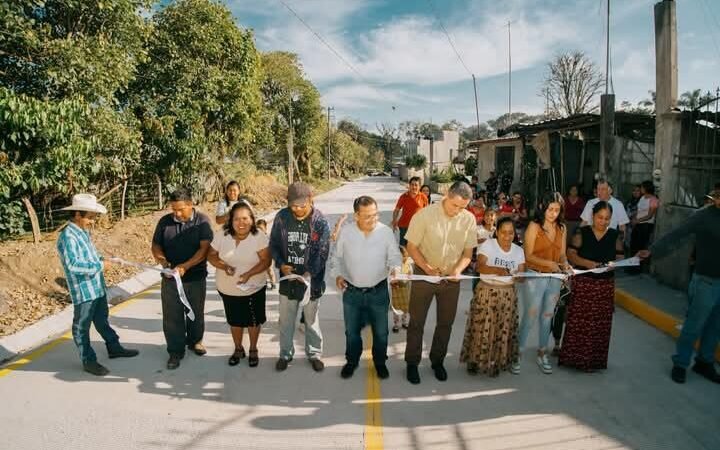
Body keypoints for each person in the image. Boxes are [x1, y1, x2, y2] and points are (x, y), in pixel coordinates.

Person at [639, 185, 720, 385]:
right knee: (694, 326)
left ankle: (704, 362)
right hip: (705, 282)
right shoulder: (703, 215)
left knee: (715, 327)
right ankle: (681, 363)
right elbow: (677, 233)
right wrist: (652, 250)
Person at [56, 194, 139, 376]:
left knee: (102, 319)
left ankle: (114, 347)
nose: (93, 221)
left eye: (94, 217)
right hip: (84, 291)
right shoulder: (68, 237)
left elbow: (90, 256)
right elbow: (73, 265)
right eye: (90, 217)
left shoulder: (83, 232)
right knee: (81, 327)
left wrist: (106, 259)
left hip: (97, 287)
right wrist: (101, 265)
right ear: (77, 214)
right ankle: (89, 360)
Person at [404, 181, 477, 384]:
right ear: (446, 195)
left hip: (450, 280)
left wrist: (457, 270)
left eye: (463, 207)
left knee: (446, 323)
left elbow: (468, 253)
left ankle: (437, 361)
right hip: (425, 276)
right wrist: (427, 268)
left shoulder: (469, 219)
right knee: (417, 322)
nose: (458, 211)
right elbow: (411, 246)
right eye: (455, 205)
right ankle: (412, 363)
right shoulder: (424, 215)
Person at [333, 196, 402, 380]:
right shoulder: (346, 232)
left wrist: (395, 269)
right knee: (352, 332)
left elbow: (395, 256)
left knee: (381, 332)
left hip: (378, 292)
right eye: (367, 216)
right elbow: (336, 257)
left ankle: (380, 363)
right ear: (356, 215)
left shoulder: (385, 232)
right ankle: (352, 361)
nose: (373, 219)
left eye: (375, 215)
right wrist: (338, 275)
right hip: (352, 292)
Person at [269, 182, 330, 372]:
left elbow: (323, 251)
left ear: (310, 200)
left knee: (311, 321)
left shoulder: (319, 221)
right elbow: (273, 244)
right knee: (286, 321)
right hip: (288, 280)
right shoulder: (282, 217)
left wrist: (308, 273)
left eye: (302, 206)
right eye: (293, 206)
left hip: (311, 282)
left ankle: (314, 354)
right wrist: (280, 263)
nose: (297, 209)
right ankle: (285, 354)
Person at [151, 189, 213, 370]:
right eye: (173, 209)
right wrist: (162, 261)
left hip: (195, 277)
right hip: (170, 278)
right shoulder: (165, 222)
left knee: (195, 312)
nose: (176, 213)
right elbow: (155, 245)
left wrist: (186, 266)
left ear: (191, 204)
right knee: (172, 316)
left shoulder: (202, 221)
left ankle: (195, 341)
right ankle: (175, 351)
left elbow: (204, 250)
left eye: (181, 209)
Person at [561, 201, 624, 371]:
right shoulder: (582, 232)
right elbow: (571, 254)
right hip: (584, 283)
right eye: (600, 217)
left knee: (599, 323)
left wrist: (613, 264)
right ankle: (573, 358)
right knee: (579, 321)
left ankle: (594, 361)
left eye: (607, 219)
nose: (603, 221)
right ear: (593, 216)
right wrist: (587, 263)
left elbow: (620, 257)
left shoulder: (614, 236)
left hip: (605, 286)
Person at [208, 202, 271, 367]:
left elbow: (266, 261)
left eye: (245, 218)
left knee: (253, 321)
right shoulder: (222, 234)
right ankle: (238, 348)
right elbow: (211, 255)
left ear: (251, 219)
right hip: (228, 289)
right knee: (234, 321)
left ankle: (253, 349)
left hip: (253, 288)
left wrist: (249, 274)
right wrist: (224, 266)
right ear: (230, 220)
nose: (241, 223)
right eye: (236, 219)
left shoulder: (259, 236)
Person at [461, 217, 525, 377]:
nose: (507, 236)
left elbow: (522, 275)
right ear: (497, 232)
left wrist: (518, 276)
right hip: (487, 292)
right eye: (503, 232)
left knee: (501, 329)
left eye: (511, 233)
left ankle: (496, 362)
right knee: (480, 327)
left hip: (507, 294)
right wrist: (498, 270)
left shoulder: (518, 251)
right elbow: (480, 266)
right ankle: (474, 360)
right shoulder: (488, 245)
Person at [517, 191, 571, 375]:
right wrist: (549, 264)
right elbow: (528, 255)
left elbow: (562, 254)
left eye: (557, 210)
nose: (553, 213)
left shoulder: (562, 228)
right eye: (550, 209)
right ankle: (517, 353)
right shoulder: (534, 226)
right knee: (530, 315)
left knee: (547, 316)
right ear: (543, 207)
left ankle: (542, 353)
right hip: (535, 276)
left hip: (555, 278)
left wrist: (565, 264)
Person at [629, 180, 658, 274]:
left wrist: (637, 220)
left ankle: (638, 269)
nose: (640, 189)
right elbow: (639, 210)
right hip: (638, 224)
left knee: (640, 247)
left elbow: (650, 215)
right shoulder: (642, 198)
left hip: (646, 225)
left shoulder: (653, 199)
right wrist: (634, 218)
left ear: (646, 188)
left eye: (642, 187)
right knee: (633, 245)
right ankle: (632, 267)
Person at [392, 176, 429, 246]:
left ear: (420, 186)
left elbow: (426, 212)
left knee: (416, 248)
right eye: (412, 184)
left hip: (418, 227)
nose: (414, 187)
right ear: (409, 185)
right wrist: (394, 221)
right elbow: (396, 210)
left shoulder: (423, 197)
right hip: (404, 226)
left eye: (416, 185)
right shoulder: (403, 196)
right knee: (403, 248)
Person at [472, 209, 497, 293]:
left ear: (495, 217)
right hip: (480, 262)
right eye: (487, 215)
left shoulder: (497, 231)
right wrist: (480, 241)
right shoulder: (478, 229)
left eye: (491, 215)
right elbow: (470, 243)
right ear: (483, 217)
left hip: (494, 263)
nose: (489, 217)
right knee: (477, 287)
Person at [391, 246, 413, 333]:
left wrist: (408, 276)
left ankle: (404, 322)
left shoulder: (408, 265)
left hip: (405, 289)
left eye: (404, 256)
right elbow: (390, 277)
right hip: (396, 289)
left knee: (405, 308)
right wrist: (393, 279)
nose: (402, 258)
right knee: (396, 309)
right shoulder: (393, 266)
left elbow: (411, 275)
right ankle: (396, 324)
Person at [256, 219, 277, 290]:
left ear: (265, 228)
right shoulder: (255, 238)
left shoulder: (268, 237)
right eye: (258, 228)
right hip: (260, 257)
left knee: (270, 270)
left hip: (268, 256)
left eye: (261, 228)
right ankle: (263, 283)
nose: (260, 230)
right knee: (261, 271)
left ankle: (273, 283)